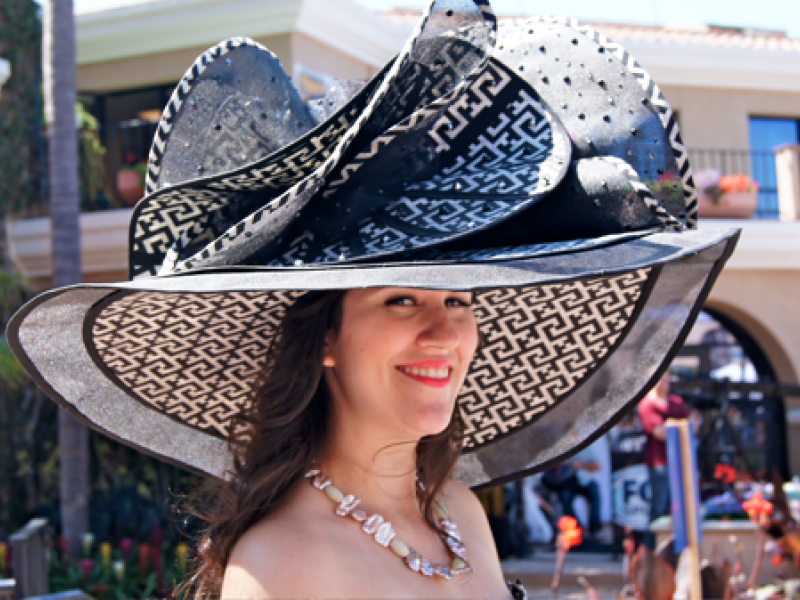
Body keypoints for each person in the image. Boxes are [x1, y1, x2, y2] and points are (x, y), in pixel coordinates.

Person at [5, 0, 739, 596]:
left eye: (461, 301)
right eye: (400, 302)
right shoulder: (282, 567)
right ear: (325, 336)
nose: (445, 334)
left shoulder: (457, 517)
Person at [637, 372, 689, 547]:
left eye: (666, 380)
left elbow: (691, 426)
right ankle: (651, 548)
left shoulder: (676, 402)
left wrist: (674, 427)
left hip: (681, 462)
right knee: (659, 507)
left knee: (680, 507)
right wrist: (678, 428)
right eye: (660, 380)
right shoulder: (647, 404)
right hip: (659, 463)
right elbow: (659, 433)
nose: (664, 384)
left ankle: (675, 546)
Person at [542, 446, 602, 538]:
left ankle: (595, 528)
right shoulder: (560, 448)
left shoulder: (586, 448)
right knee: (565, 495)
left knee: (594, 492)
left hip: (585, 480)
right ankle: (575, 529)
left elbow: (598, 466)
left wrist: (579, 465)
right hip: (567, 482)